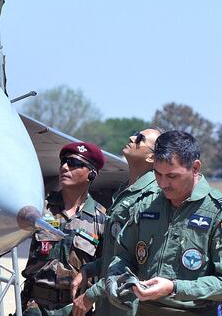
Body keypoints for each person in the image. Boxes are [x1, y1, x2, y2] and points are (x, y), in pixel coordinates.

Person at [106, 130, 222, 315]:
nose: (163, 183)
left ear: (195, 168)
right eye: (157, 174)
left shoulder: (221, 213)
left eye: (172, 176)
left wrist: (174, 288)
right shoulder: (146, 204)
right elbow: (123, 255)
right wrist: (115, 279)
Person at [70, 129, 162, 316]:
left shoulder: (153, 197)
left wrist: (92, 294)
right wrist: (91, 268)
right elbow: (118, 252)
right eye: (136, 134)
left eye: (140, 139)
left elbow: (139, 262)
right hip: (110, 301)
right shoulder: (125, 190)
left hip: (129, 305)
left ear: (152, 157)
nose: (131, 138)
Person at [21, 142, 107, 315]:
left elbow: (108, 267)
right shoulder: (40, 208)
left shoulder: (102, 219)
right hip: (36, 307)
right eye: (63, 162)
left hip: (75, 309)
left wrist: (90, 297)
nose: (64, 167)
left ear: (91, 174)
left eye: (74, 163)